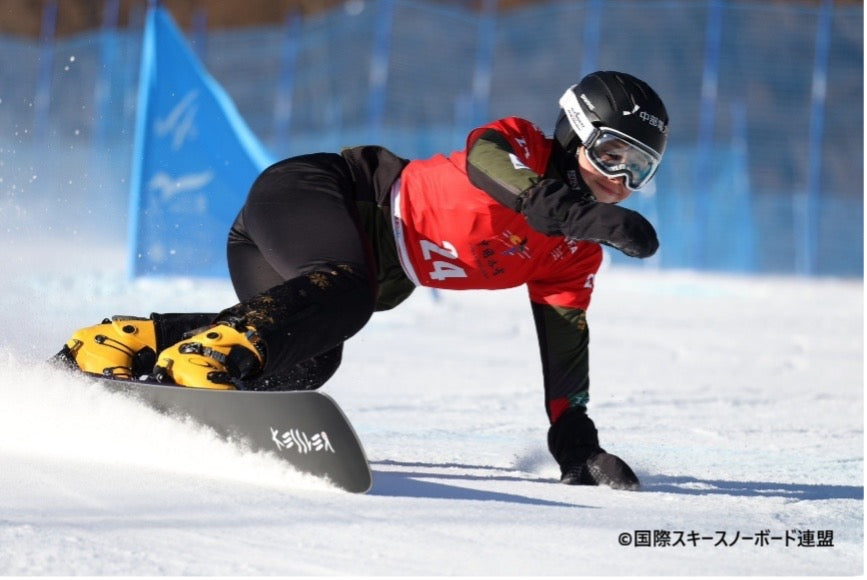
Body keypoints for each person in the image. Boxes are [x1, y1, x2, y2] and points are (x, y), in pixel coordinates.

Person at [55, 70, 668, 490]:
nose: (621, 180)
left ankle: (130, 340)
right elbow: (502, 179)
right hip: (315, 194)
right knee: (348, 292)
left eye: (640, 170)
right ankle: (203, 361)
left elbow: (566, 351)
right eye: (614, 155)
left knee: (309, 363)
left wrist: (575, 441)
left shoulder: (571, 257)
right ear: (576, 132)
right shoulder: (517, 144)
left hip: (315, 266)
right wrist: (591, 216)